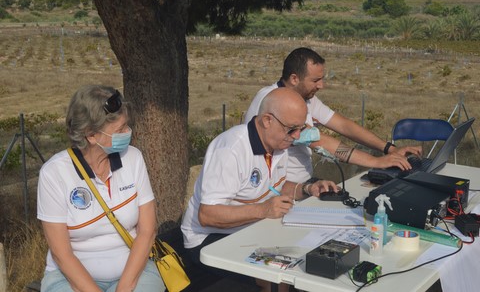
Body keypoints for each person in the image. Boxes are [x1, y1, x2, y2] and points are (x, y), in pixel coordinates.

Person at [181, 88, 338, 292]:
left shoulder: (278, 143)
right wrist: (263, 210)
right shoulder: (231, 150)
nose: (297, 136)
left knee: (305, 256)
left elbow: (275, 186)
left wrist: (307, 188)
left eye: (301, 128)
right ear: (266, 120)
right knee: (275, 274)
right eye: (292, 129)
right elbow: (208, 215)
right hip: (208, 237)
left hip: (248, 227)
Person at [37, 85, 164, 292]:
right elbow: (62, 254)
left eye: (127, 126)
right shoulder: (54, 174)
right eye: (120, 129)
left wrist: (124, 288)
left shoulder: (133, 158)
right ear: (91, 135)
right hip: (69, 279)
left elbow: (147, 231)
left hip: (133, 273)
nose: (128, 133)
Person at [243, 47, 422, 183]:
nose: (322, 85)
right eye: (315, 80)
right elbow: (322, 142)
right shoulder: (271, 101)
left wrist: (389, 149)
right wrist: (377, 162)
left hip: (302, 184)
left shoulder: (304, 98)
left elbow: (344, 125)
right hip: (278, 190)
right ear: (294, 78)